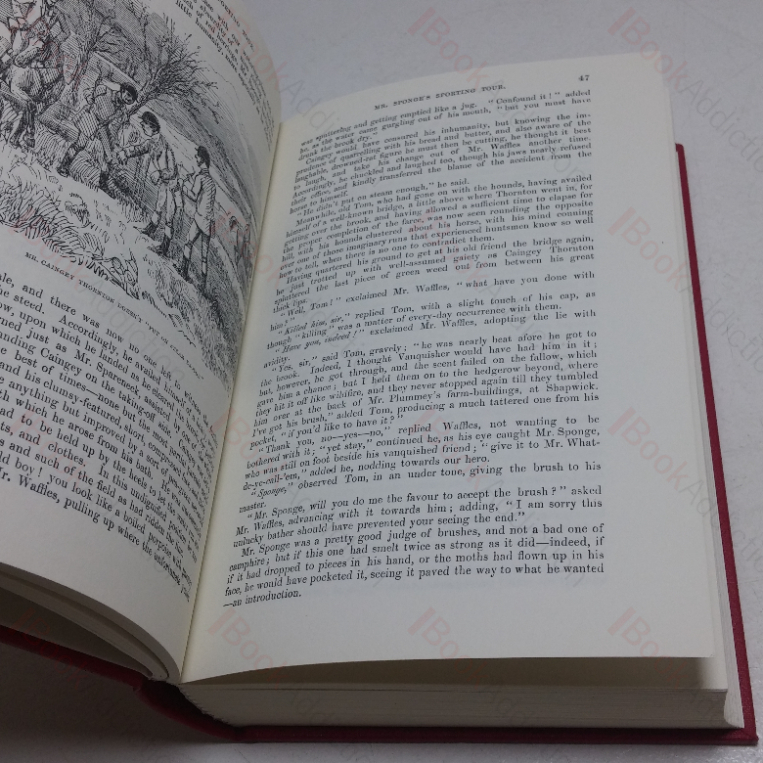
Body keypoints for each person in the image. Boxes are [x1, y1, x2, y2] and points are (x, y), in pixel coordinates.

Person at [56, 81, 138, 193]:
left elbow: (114, 128)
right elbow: (89, 92)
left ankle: (103, 182)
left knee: (109, 154)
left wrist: (113, 143)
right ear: (122, 90)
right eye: (128, 94)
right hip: (90, 117)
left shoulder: (122, 112)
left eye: (131, 99)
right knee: (81, 143)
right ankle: (64, 166)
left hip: (102, 127)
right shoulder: (105, 90)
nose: (129, 99)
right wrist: (90, 100)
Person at [116, 111, 178, 256]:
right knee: (158, 208)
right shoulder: (152, 142)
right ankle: (150, 231)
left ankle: (164, 248)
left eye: (145, 125)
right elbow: (139, 149)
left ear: (152, 127)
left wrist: (159, 173)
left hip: (173, 187)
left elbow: (172, 171)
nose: (143, 127)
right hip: (164, 184)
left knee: (169, 217)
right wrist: (126, 153)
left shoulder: (164, 146)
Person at [180, 145, 216, 295]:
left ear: (202, 158)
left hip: (200, 218)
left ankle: (183, 272)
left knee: (188, 242)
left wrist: (183, 186)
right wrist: (192, 180)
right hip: (209, 222)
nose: (195, 158)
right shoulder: (211, 181)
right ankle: (202, 287)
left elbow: (194, 196)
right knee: (204, 257)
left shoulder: (200, 177)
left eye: (197, 156)